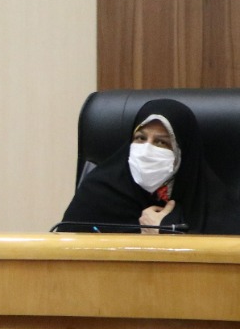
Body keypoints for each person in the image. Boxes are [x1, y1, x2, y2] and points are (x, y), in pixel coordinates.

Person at [59, 98, 240, 234]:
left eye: (161, 142)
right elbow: (64, 253)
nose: (146, 150)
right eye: (140, 138)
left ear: (182, 153)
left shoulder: (212, 204)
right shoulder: (99, 191)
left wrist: (168, 230)